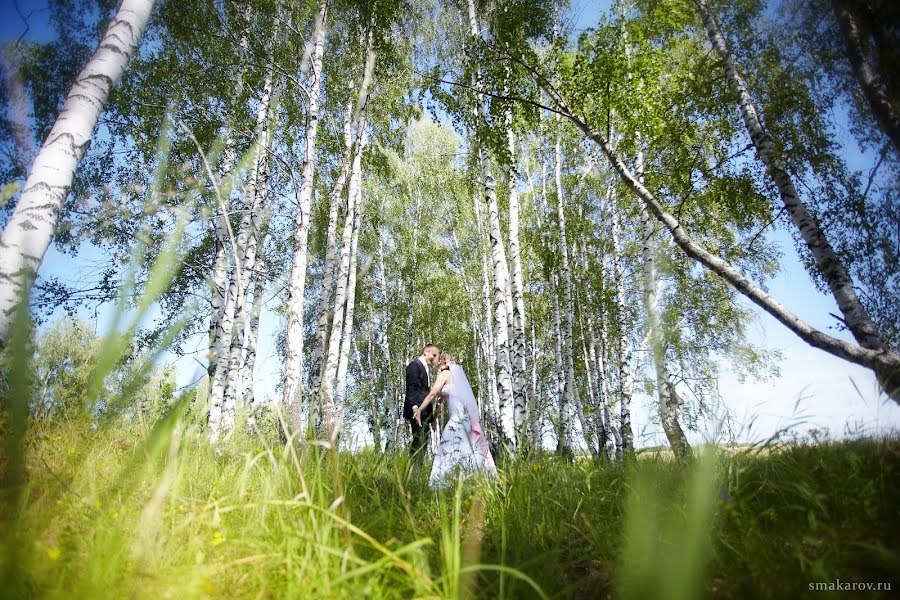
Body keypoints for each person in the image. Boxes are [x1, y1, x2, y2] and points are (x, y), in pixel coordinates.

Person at [413, 351, 497, 487]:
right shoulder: (457, 378)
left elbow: (433, 394)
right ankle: (472, 481)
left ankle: (447, 484)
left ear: (442, 363)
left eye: (437, 363)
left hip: (456, 420)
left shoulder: (445, 374)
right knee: (467, 450)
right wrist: (434, 418)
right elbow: (441, 400)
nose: (436, 367)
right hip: (466, 421)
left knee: (450, 450)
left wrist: (420, 410)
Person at [404, 343, 439, 459]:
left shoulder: (424, 367)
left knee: (423, 440)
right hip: (417, 411)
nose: (434, 358)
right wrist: (415, 408)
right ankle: (412, 472)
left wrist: (432, 416)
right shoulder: (414, 365)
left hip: (424, 412)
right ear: (426, 352)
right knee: (419, 440)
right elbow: (411, 387)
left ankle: (415, 472)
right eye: (433, 355)